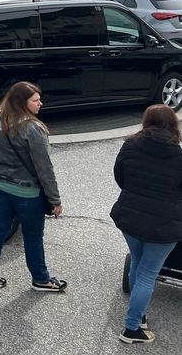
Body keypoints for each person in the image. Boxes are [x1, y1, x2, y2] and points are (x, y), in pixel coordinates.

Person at [0, 81, 66, 292]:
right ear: (22, 102)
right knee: (33, 236)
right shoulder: (33, 128)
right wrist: (55, 200)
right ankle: (41, 279)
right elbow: (44, 168)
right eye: (35, 100)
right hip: (25, 191)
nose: (40, 104)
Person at [110, 104, 182, 344]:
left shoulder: (130, 145)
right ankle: (132, 328)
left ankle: (139, 316)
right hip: (163, 225)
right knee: (147, 275)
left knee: (138, 266)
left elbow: (119, 176)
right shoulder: (178, 156)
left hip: (130, 218)